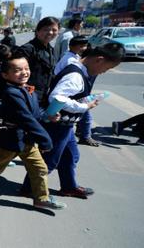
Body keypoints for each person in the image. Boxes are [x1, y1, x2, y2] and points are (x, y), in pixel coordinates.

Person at [20, 42, 125, 199]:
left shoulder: (80, 70)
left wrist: (85, 102)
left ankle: (69, 186)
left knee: (70, 155)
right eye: (107, 68)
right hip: (57, 124)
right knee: (49, 160)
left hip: (66, 124)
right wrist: (84, 107)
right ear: (99, 60)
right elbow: (56, 97)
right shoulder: (75, 75)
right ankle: (32, 189)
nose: (104, 72)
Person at [0, 54, 66, 211]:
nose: (24, 72)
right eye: (18, 70)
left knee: (40, 168)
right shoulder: (11, 92)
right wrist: (45, 138)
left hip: (28, 140)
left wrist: (47, 115)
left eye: (26, 68)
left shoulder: (27, 88)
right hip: (12, 140)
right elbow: (26, 118)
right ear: (5, 75)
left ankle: (41, 198)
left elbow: (34, 112)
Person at [17, 17, 60, 107]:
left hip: (43, 97)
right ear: (37, 31)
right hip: (28, 98)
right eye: (46, 29)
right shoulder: (28, 49)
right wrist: (27, 95)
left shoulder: (50, 49)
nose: (50, 32)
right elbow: (16, 75)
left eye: (54, 30)